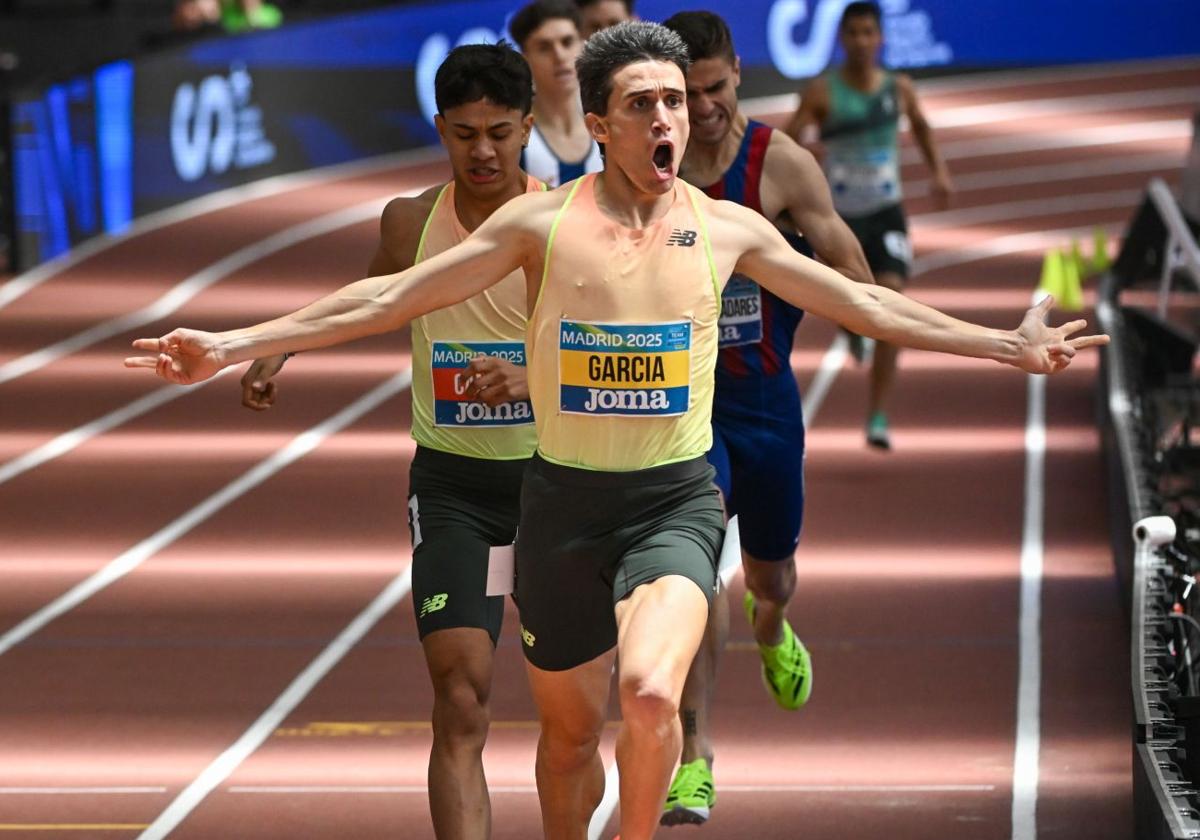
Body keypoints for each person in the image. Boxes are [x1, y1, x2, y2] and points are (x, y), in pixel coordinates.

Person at [126, 21, 1104, 840]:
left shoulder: (729, 230)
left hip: (673, 502)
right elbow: (387, 297)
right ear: (598, 124)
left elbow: (869, 306)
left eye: (674, 100)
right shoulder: (538, 227)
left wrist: (1002, 345)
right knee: (566, 743)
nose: (667, 118)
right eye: (641, 104)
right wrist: (230, 342)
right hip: (559, 510)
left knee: (648, 695)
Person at [239, 43, 542, 840]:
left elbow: (613, 341)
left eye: (500, 133)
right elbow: (369, 293)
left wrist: (531, 380)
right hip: (456, 493)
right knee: (461, 695)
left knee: (573, 712)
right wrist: (280, 344)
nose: (482, 151)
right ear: (440, 129)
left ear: (529, 130)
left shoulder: (567, 223)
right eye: (465, 133)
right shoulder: (412, 222)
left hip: (558, 489)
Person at [658, 9, 875, 827]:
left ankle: (773, 624)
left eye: (714, 88)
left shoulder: (780, 165)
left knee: (769, 579)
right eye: (686, 93)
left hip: (767, 404)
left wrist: (919, 327)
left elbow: (852, 272)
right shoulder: (652, 169)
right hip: (684, 408)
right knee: (693, 570)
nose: (703, 107)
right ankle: (697, 754)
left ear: (738, 73)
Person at [786, 0, 954, 450]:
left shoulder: (899, 88)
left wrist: (938, 170)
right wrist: (800, 170)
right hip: (837, 220)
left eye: (868, 33)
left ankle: (878, 414)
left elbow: (920, 127)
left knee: (892, 301)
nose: (861, 42)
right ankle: (852, 331)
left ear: (881, 39)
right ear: (841, 40)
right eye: (853, 33)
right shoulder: (822, 92)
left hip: (885, 213)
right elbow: (787, 141)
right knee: (850, 304)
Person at [510, 0, 603, 186]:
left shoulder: (608, 118)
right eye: (544, 47)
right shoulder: (512, 134)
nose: (559, 56)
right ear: (524, 59)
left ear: (583, 46)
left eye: (567, 42)